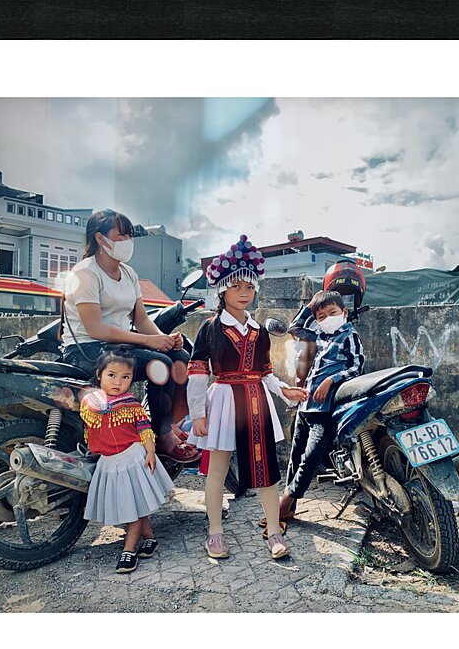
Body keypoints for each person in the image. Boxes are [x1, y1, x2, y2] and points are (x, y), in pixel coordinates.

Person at [186, 235, 308, 560]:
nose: (245, 293)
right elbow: (198, 372)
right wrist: (198, 413)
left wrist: (285, 392)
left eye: (250, 288)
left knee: (266, 472)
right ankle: (214, 533)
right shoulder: (210, 328)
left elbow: (266, 372)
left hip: (256, 403)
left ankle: (274, 533)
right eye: (237, 286)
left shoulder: (259, 331)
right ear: (222, 289)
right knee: (218, 470)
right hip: (225, 401)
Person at [60, 209, 197, 463]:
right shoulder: (85, 273)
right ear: (101, 239)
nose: (128, 241)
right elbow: (95, 329)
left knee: (178, 355)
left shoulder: (129, 274)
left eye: (130, 235)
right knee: (161, 364)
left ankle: (168, 424)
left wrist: (164, 339)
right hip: (85, 349)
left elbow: (141, 319)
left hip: (117, 345)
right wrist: (148, 341)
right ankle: (162, 435)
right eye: (121, 235)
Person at [264, 290, 364, 528]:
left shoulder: (350, 336)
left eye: (333, 313)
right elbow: (295, 327)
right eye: (322, 315)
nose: (327, 318)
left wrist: (332, 380)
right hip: (305, 405)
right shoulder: (318, 336)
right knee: (295, 457)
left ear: (344, 313)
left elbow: (358, 366)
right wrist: (310, 306)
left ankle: (286, 500)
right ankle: (290, 509)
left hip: (326, 409)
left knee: (310, 457)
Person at [79, 350, 177, 574]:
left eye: (126, 377)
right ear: (99, 374)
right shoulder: (90, 402)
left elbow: (144, 428)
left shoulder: (131, 403)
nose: (118, 382)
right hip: (109, 463)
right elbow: (88, 429)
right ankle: (150, 538)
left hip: (132, 460)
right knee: (132, 503)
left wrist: (150, 452)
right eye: (111, 375)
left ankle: (129, 550)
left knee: (130, 506)